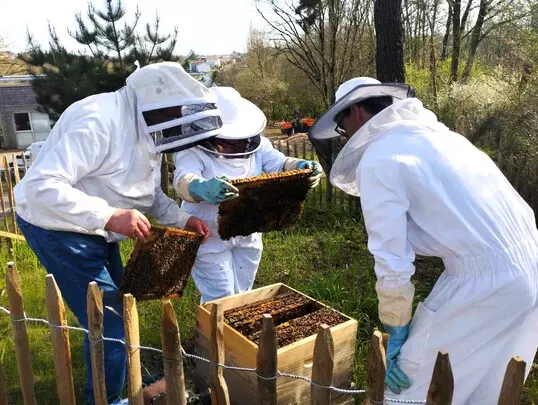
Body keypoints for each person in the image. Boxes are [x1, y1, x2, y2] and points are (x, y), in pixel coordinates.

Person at [308, 77, 538, 404]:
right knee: (489, 387)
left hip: (486, 284)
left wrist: (395, 325)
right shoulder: (446, 139)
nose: (344, 135)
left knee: (413, 386)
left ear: (357, 111)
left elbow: (391, 258)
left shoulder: (379, 157)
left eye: (342, 125)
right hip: (531, 265)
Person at [13, 62, 220, 404]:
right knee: (106, 319)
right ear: (155, 103)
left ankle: (125, 377)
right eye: (175, 112)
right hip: (55, 224)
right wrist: (109, 215)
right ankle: (104, 399)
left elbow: (148, 194)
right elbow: (40, 187)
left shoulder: (147, 131)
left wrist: (182, 220)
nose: (178, 122)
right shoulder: (99, 120)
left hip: (98, 226)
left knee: (122, 306)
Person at [173, 86, 322, 303]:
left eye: (238, 138)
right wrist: (201, 187)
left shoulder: (257, 144)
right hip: (207, 233)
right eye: (227, 139)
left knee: (244, 294)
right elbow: (183, 179)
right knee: (220, 298)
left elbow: (279, 163)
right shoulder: (191, 149)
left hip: (247, 228)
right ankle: (212, 326)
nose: (234, 144)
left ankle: (233, 326)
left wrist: (299, 166)